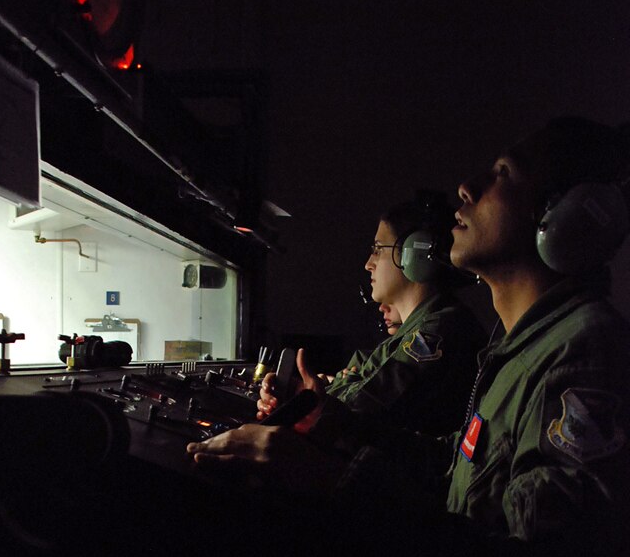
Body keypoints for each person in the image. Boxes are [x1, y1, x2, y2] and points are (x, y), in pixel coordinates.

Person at [187, 117, 630, 556]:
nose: (468, 188)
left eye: (504, 174)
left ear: (568, 215)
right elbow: (454, 470)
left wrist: (330, 481)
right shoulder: (520, 347)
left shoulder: (585, 352)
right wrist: (329, 421)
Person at [261, 192, 488, 441]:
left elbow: (365, 408)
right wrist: (303, 394)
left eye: (378, 250)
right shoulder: (414, 331)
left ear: (416, 254)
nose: (369, 264)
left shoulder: (440, 331)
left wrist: (317, 402)